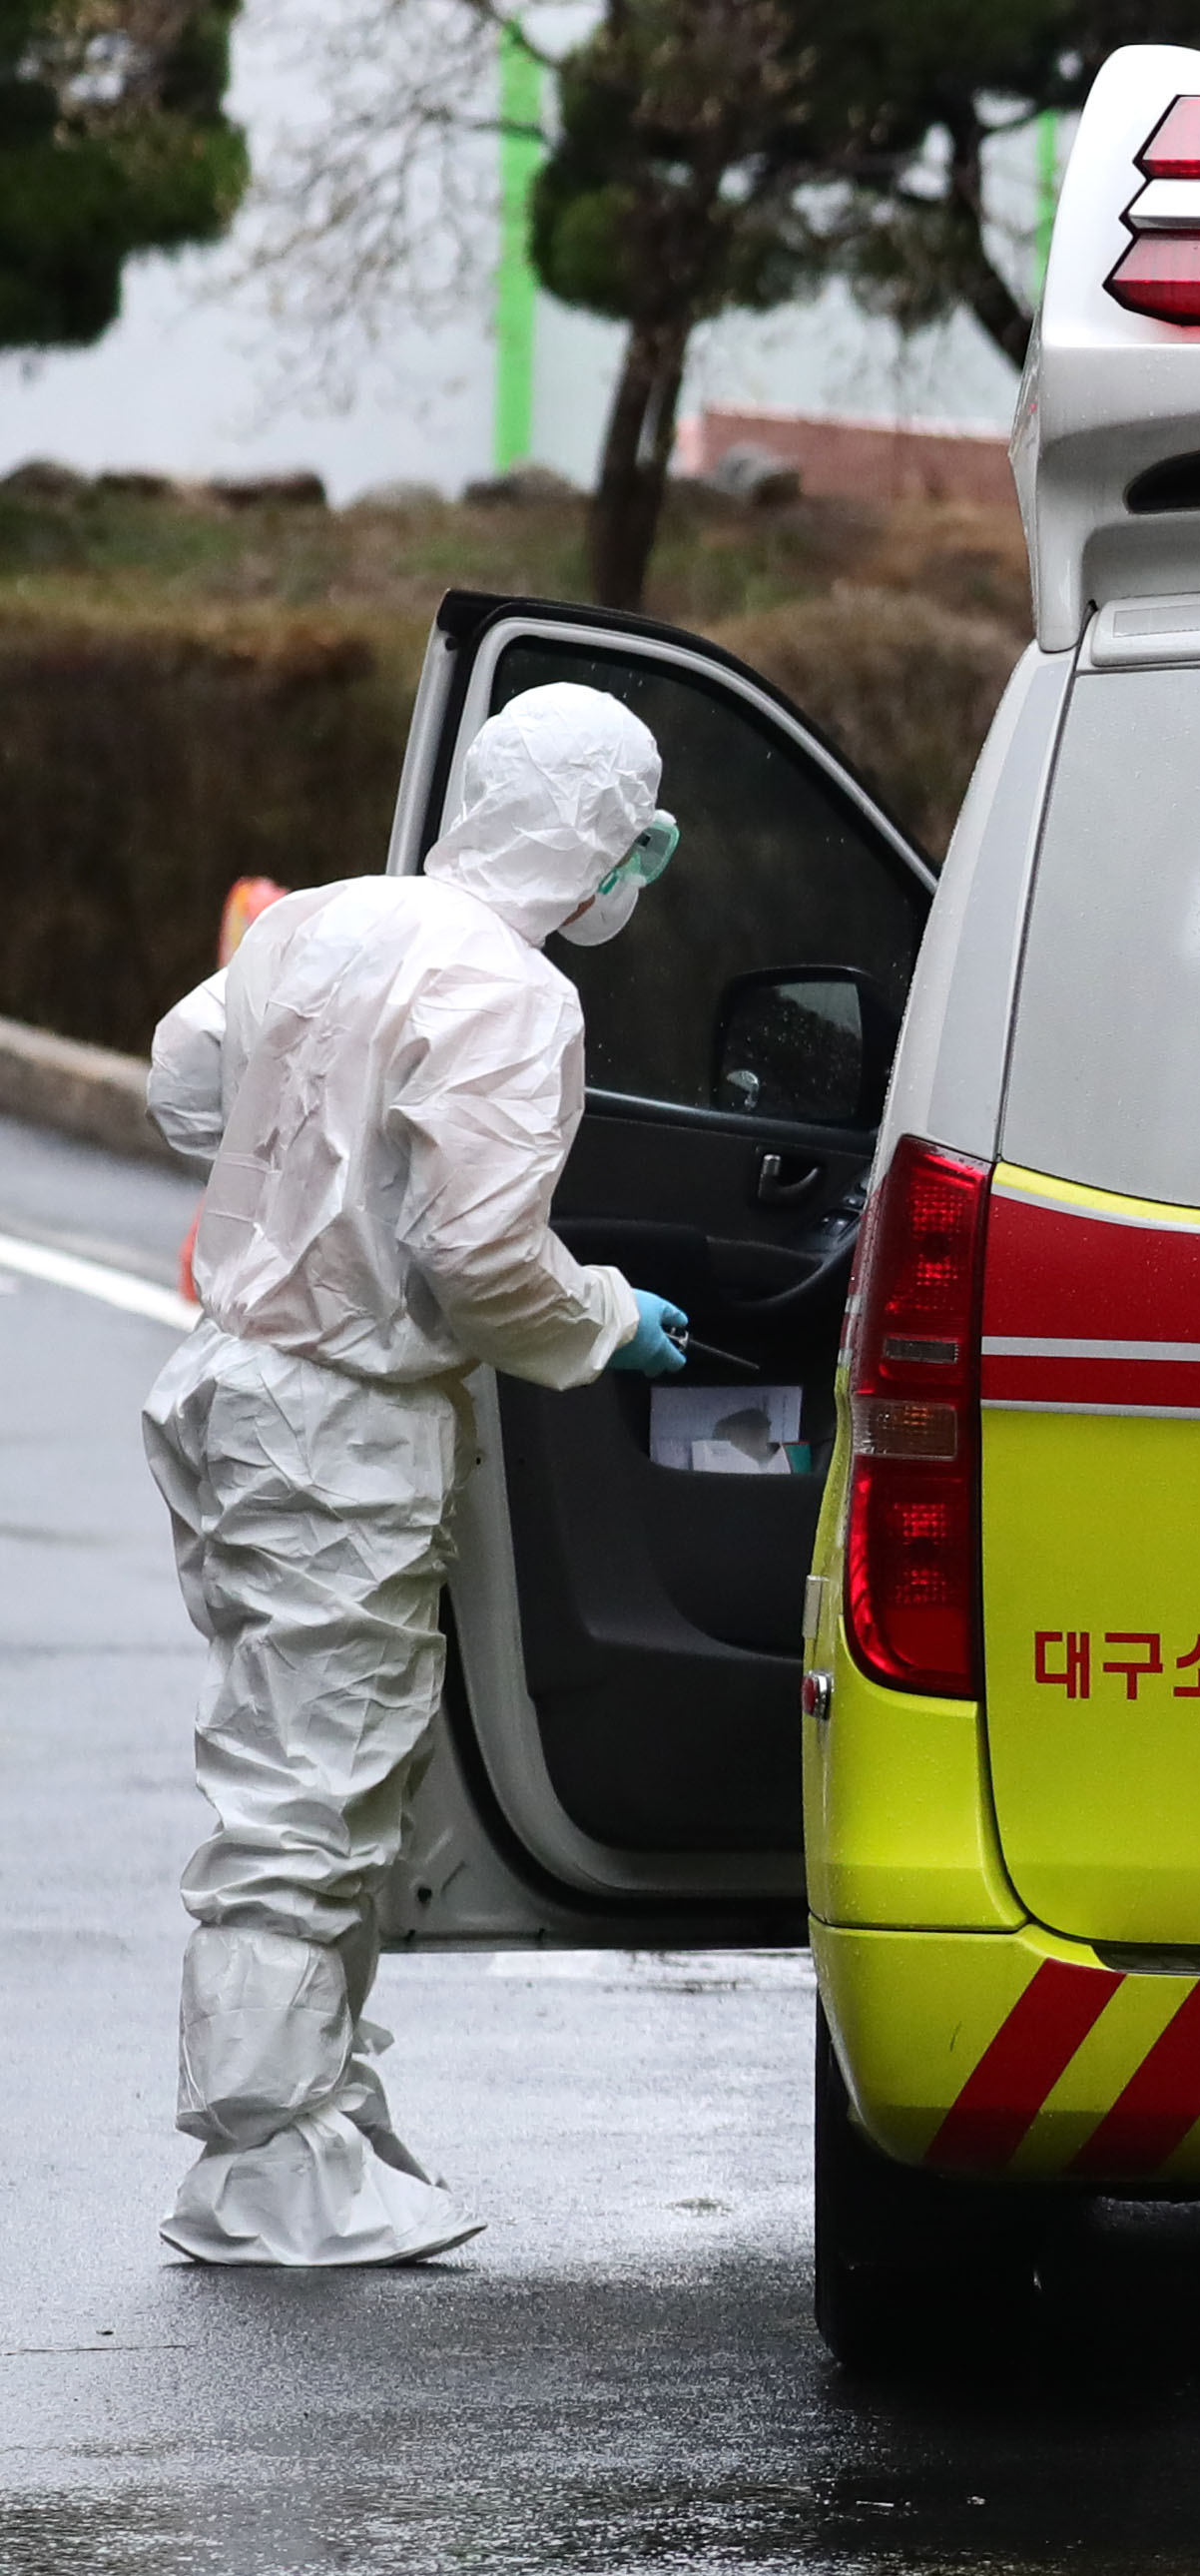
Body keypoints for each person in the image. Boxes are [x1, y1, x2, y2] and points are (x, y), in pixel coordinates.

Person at [141, 684, 690, 2264]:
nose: (639, 864)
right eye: (634, 832)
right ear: (597, 832)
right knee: (308, 1800)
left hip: (235, 1391)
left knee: (317, 1773)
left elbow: (183, 1084)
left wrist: (308, 1160)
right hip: (338, 1429)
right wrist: (604, 1324)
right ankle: (259, 2171)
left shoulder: (320, 919)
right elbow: (481, 1259)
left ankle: (317, 2106)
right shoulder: (512, 995)